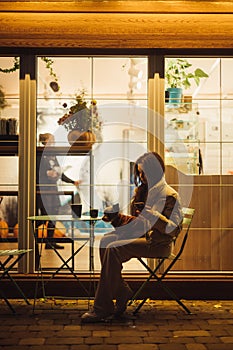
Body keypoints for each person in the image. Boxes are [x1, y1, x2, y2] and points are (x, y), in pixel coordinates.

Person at [81, 151, 183, 322]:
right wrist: (118, 218)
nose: (141, 177)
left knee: (113, 249)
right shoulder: (144, 191)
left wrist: (153, 217)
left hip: (159, 244)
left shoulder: (169, 195)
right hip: (145, 238)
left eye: (144, 173)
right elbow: (140, 224)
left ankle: (102, 307)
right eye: (139, 173)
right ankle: (121, 291)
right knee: (106, 241)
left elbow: (174, 230)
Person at [37, 133, 80, 249]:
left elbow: (60, 173)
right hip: (43, 190)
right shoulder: (39, 154)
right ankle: (34, 241)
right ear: (45, 141)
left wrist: (73, 182)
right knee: (42, 216)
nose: (54, 143)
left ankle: (49, 242)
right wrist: (46, 173)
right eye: (52, 140)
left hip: (53, 189)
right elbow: (34, 171)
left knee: (54, 215)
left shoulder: (53, 155)